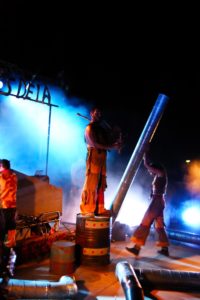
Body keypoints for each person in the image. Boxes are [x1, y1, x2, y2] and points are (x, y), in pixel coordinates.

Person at [126, 150, 170, 256]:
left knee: (145, 223)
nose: (150, 172)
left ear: (156, 169)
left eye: (152, 170)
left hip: (157, 202)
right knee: (159, 226)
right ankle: (165, 249)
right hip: (158, 201)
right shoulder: (158, 176)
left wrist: (145, 157)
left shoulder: (161, 174)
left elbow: (148, 166)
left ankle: (137, 248)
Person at [80, 107, 122, 216]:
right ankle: (88, 209)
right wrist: (112, 146)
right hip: (94, 156)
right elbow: (95, 144)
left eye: (100, 113)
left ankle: (99, 208)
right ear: (91, 114)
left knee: (101, 183)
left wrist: (116, 136)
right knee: (92, 182)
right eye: (97, 113)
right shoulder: (89, 128)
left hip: (102, 158)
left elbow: (108, 141)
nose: (99, 115)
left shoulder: (100, 129)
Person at [0, 159, 17, 279]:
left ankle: (3, 269)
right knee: (10, 240)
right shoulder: (14, 176)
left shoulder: (1, 177)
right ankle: (9, 268)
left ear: (1, 167)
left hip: (3, 210)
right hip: (12, 210)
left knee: (1, 238)